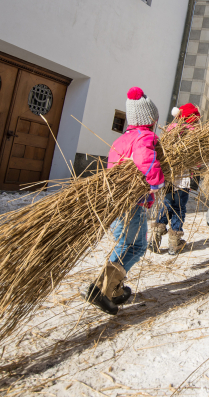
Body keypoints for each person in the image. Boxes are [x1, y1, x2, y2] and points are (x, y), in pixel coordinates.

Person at [84, 86, 164, 316]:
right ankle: (103, 289)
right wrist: (156, 183)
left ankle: (113, 289)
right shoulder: (144, 137)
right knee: (134, 247)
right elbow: (145, 161)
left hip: (118, 202)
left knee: (129, 245)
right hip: (131, 204)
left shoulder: (122, 140)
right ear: (150, 119)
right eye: (155, 119)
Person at [150, 103, 201, 255]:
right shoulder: (194, 135)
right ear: (192, 118)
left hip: (168, 178)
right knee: (179, 209)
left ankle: (155, 239)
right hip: (183, 180)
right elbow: (197, 161)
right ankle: (174, 243)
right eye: (196, 119)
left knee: (166, 206)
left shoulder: (171, 130)